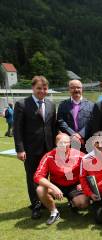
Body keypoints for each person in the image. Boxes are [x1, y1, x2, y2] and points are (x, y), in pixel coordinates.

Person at [13, 75, 57, 219]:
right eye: (39, 88)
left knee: (46, 177)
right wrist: (20, 149)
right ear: (33, 88)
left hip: (48, 149)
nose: (42, 91)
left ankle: (45, 201)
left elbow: (52, 127)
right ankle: (36, 205)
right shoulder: (22, 104)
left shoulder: (51, 105)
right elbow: (17, 129)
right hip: (30, 149)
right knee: (32, 177)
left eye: (44, 88)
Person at [33, 133, 87, 224]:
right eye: (61, 143)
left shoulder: (79, 155)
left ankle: (73, 203)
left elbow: (90, 171)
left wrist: (82, 184)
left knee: (83, 203)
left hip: (74, 186)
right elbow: (37, 176)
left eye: (67, 142)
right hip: (56, 185)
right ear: (56, 143)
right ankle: (54, 212)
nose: (65, 145)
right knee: (40, 189)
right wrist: (54, 187)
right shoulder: (49, 156)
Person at [57, 80, 94, 148]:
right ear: (69, 89)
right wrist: (73, 135)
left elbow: (91, 122)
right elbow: (61, 122)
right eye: (73, 87)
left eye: (78, 87)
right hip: (69, 142)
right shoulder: (63, 105)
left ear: (82, 89)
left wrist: (80, 135)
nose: (76, 90)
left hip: (86, 142)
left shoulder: (91, 105)